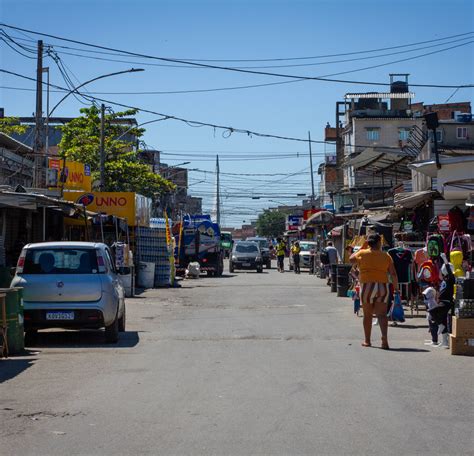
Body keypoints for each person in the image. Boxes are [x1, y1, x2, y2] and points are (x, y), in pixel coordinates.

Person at [350, 233, 399, 350]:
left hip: (367, 286)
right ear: (379, 243)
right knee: (382, 315)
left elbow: (351, 259)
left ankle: (367, 340)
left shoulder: (362, 253)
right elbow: (393, 274)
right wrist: (396, 289)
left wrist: (363, 247)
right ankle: (384, 340)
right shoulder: (386, 256)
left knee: (367, 315)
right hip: (382, 286)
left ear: (368, 243)